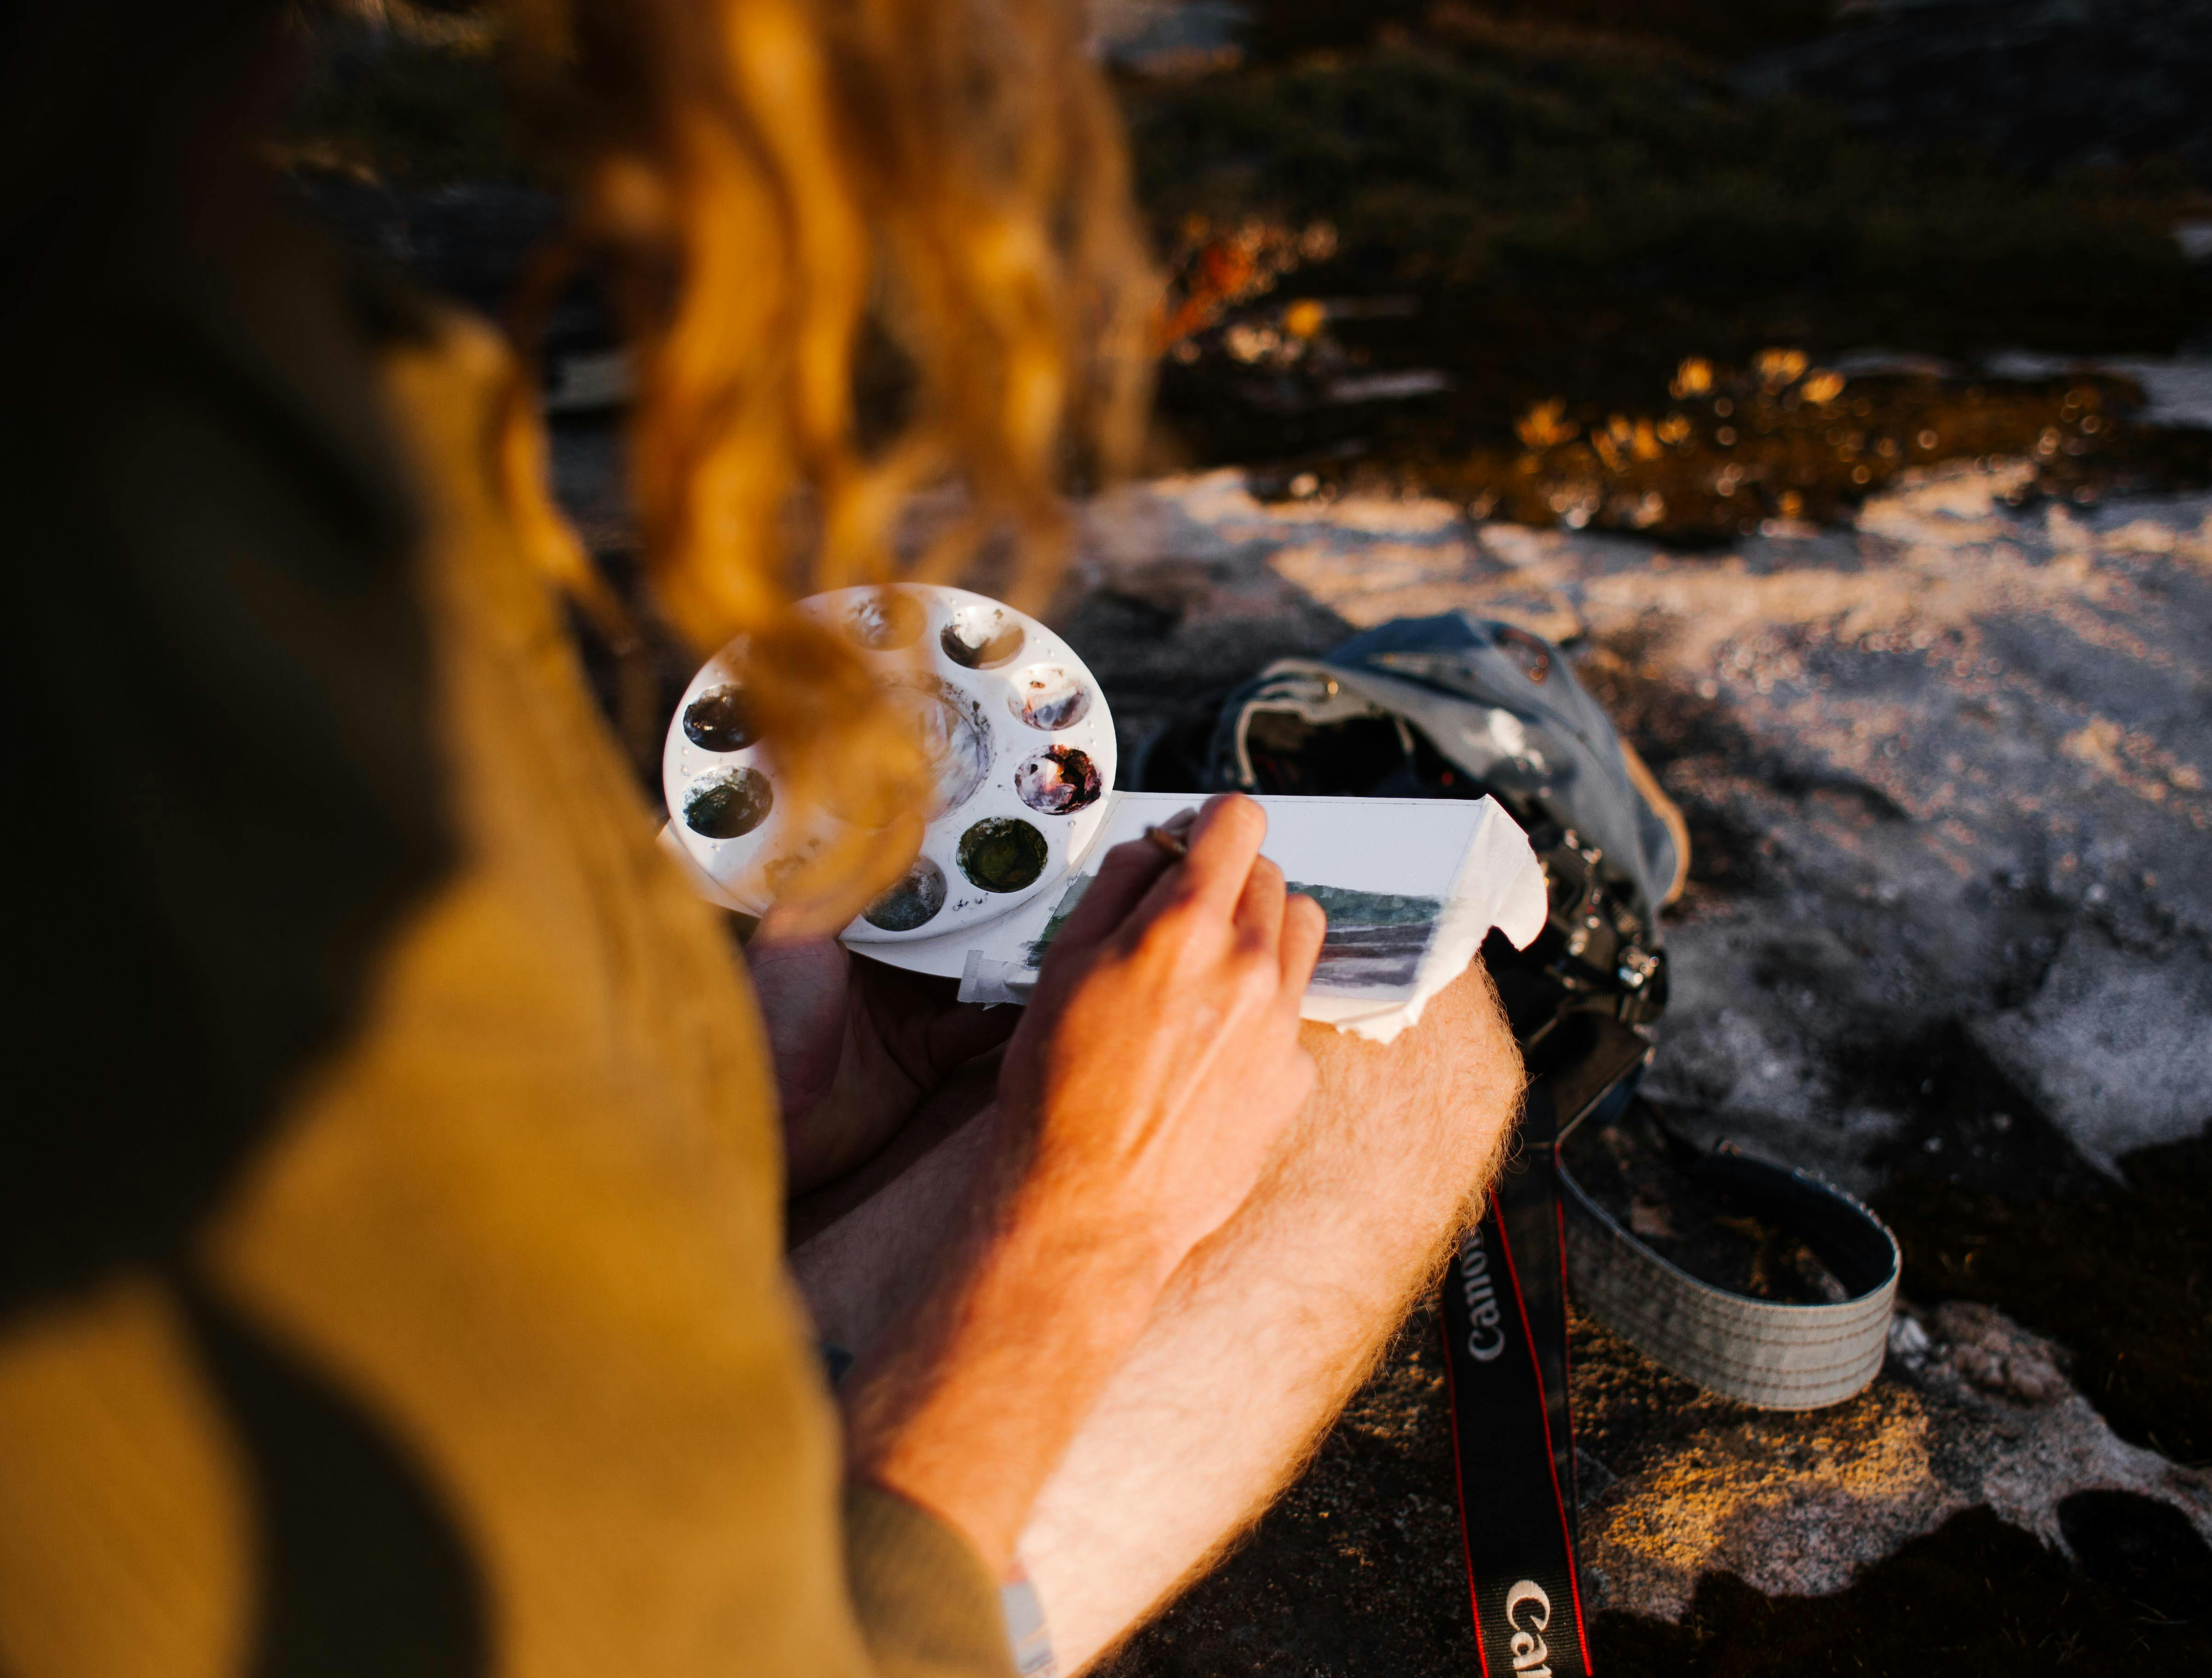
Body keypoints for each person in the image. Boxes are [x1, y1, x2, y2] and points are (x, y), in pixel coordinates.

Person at [0, 3, 1522, 1674]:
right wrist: (1072, 1236)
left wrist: (734, 1127)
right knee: (1393, 1047)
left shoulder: (203, 389)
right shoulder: (142, 599)